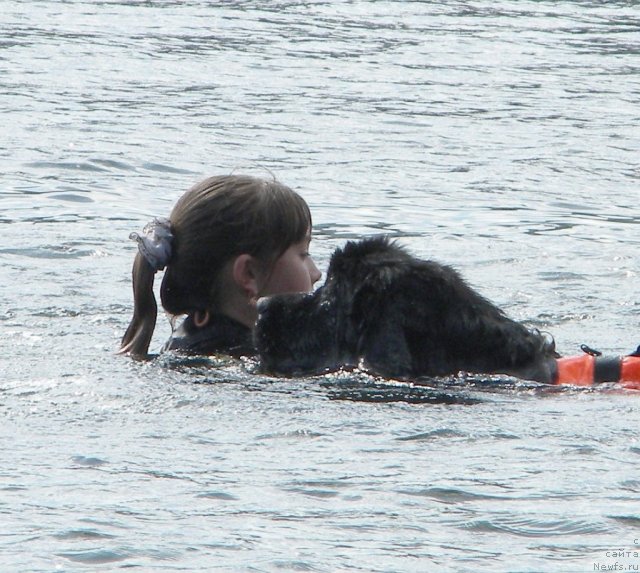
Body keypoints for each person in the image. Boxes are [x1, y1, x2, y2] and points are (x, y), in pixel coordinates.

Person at [119, 174, 322, 358]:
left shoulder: (186, 347)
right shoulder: (259, 364)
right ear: (248, 273)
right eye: (303, 254)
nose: (317, 273)